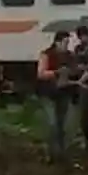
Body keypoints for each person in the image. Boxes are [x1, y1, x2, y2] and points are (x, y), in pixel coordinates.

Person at [36, 30, 76, 160]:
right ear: (57, 42)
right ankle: (51, 152)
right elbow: (41, 73)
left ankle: (61, 151)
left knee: (63, 124)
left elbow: (74, 70)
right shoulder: (46, 54)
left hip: (63, 92)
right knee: (53, 123)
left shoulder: (69, 56)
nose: (67, 45)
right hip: (48, 93)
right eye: (65, 42)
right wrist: (56, 72)